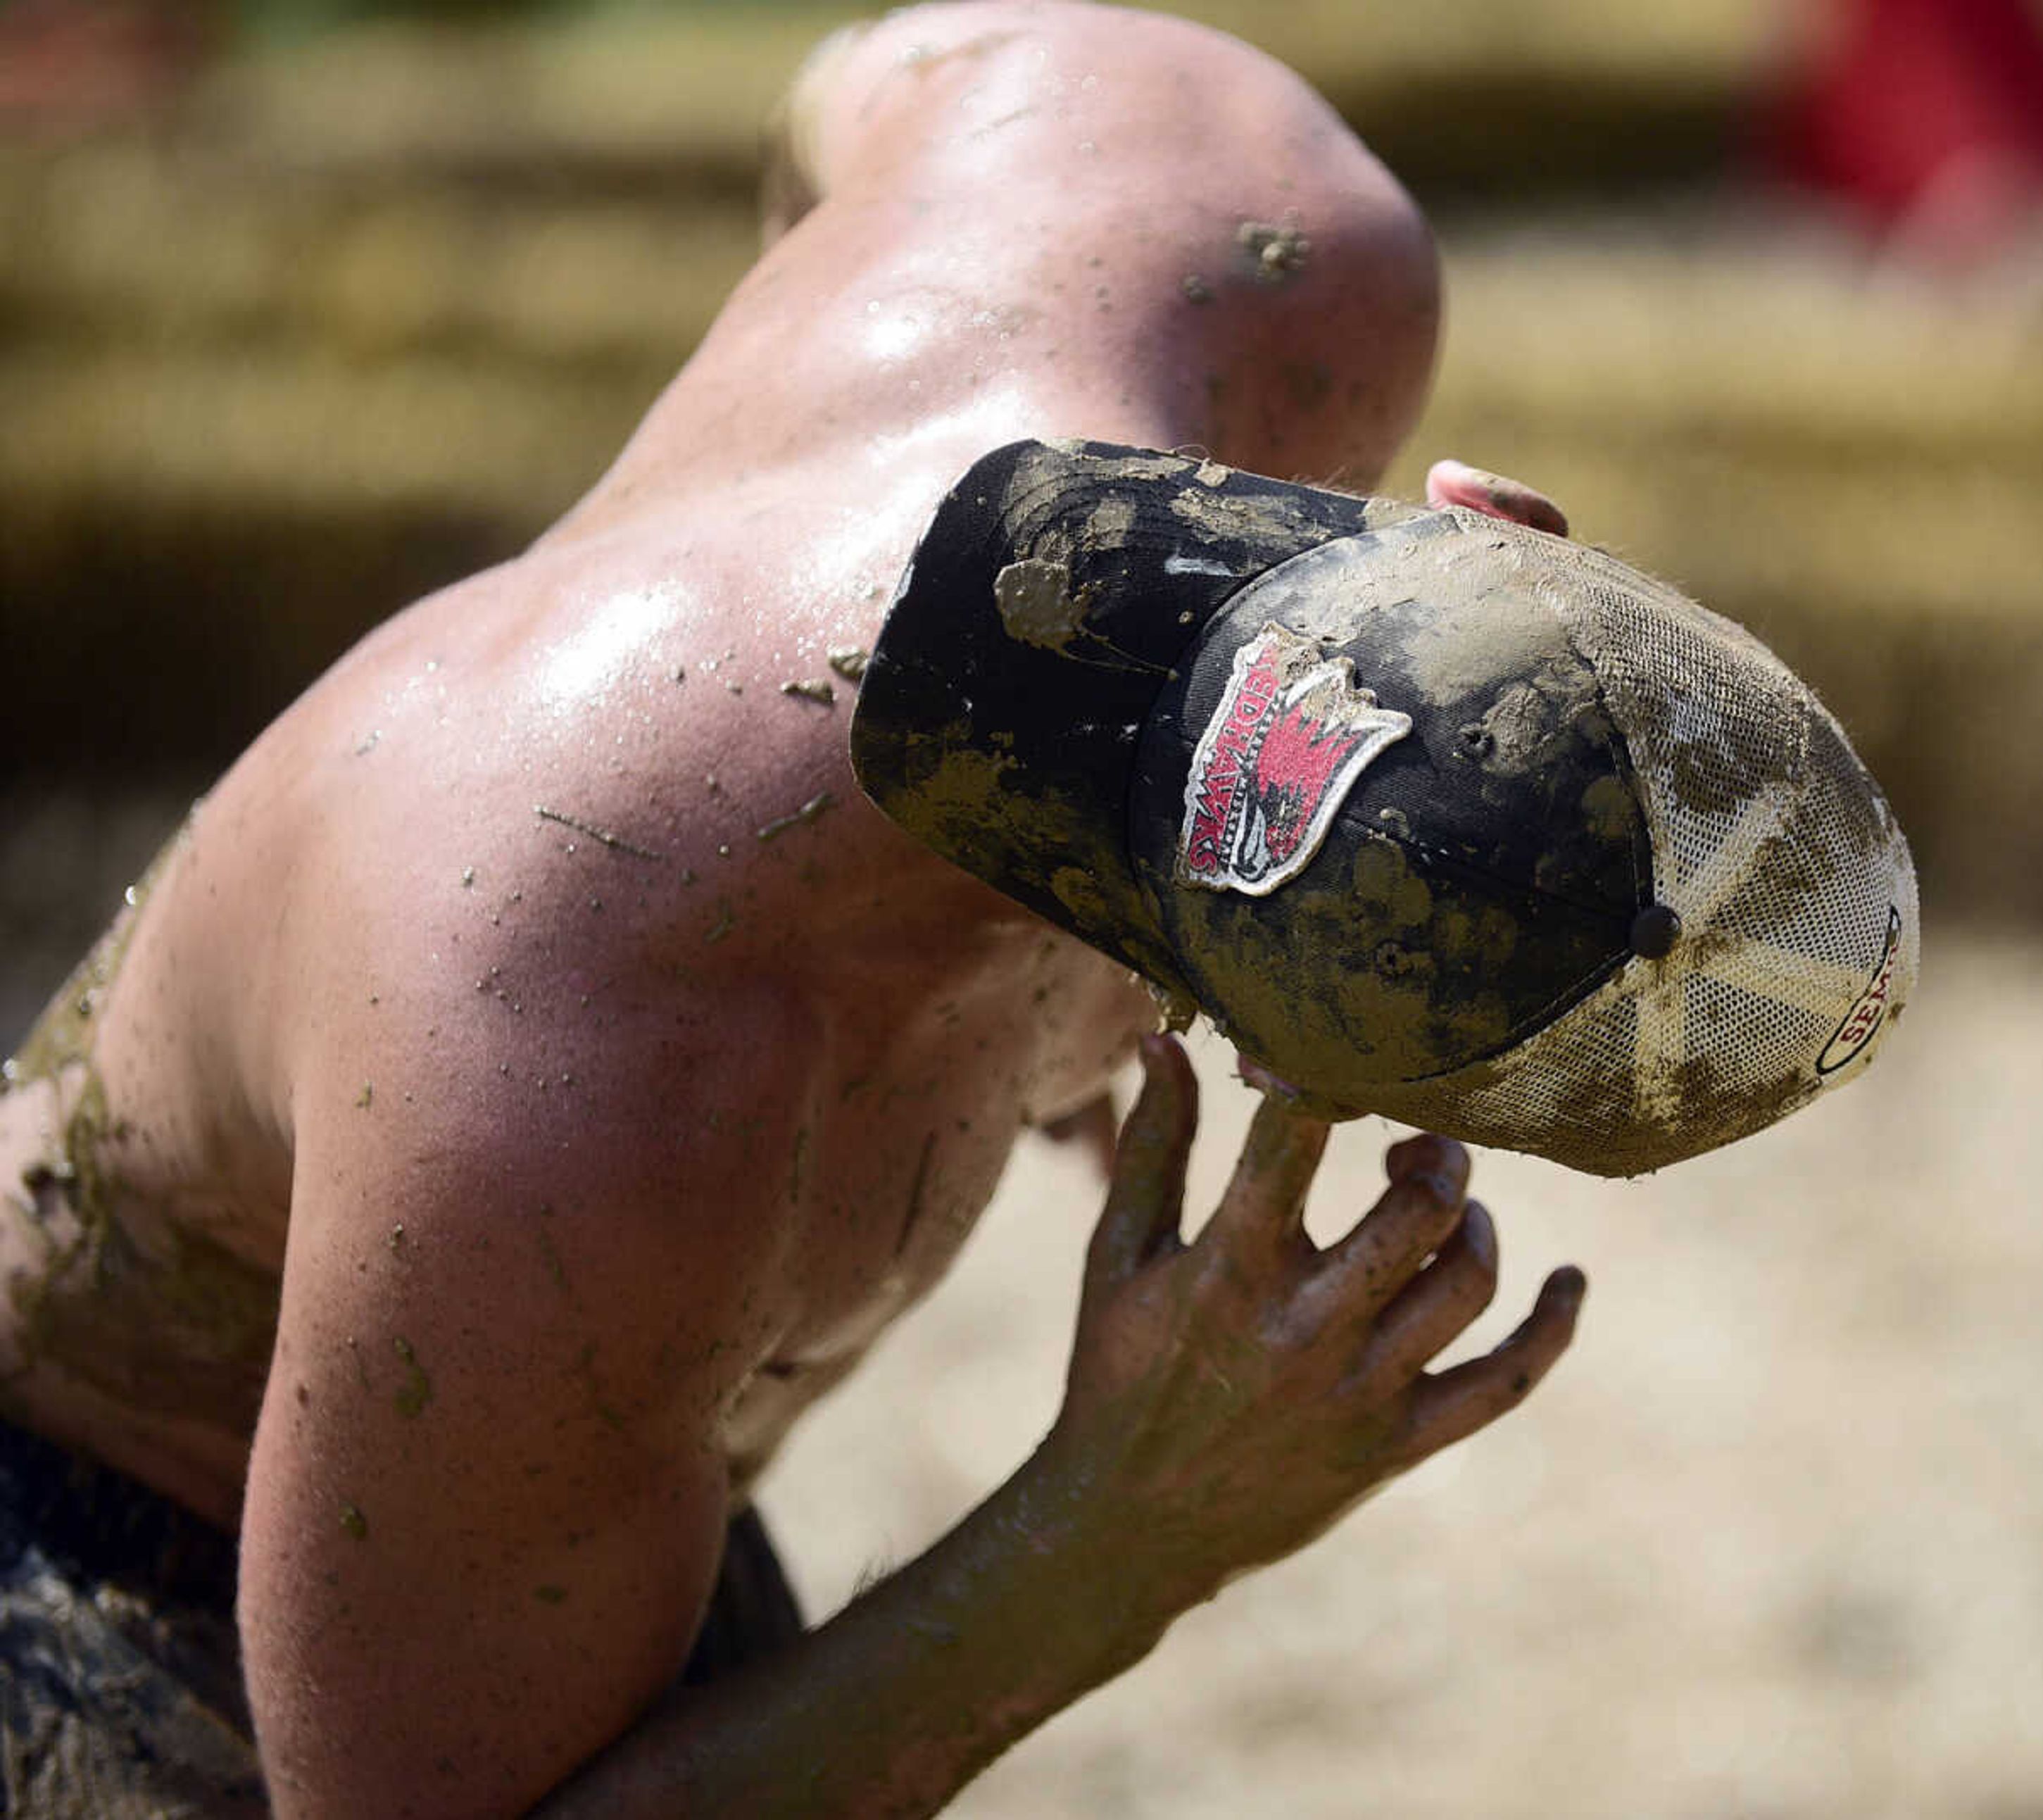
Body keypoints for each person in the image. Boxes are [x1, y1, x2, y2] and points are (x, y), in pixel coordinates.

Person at [0, 4, 1914, 1814]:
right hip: (116, 1536)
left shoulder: (1233, 223)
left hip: (556, 1457)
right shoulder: (585, 1072)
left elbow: (853, 80)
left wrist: (735, 427)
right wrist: (1117, 1533)